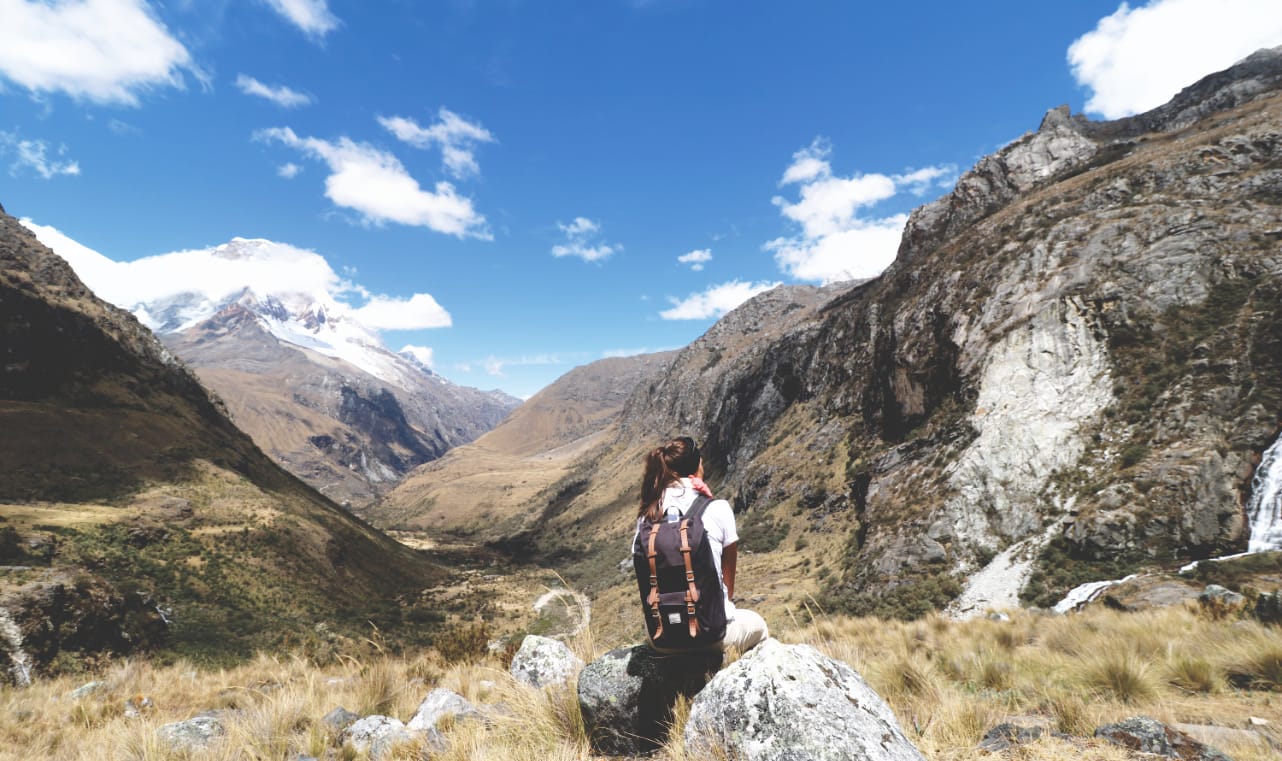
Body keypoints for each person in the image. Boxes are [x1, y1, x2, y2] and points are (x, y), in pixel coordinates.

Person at [634, 436, 769, 652]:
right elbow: (728, 588)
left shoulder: (647, 516)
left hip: (662, 640)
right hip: (712, 635)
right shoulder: (718, 508)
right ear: (697, 466)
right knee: (759, 626)